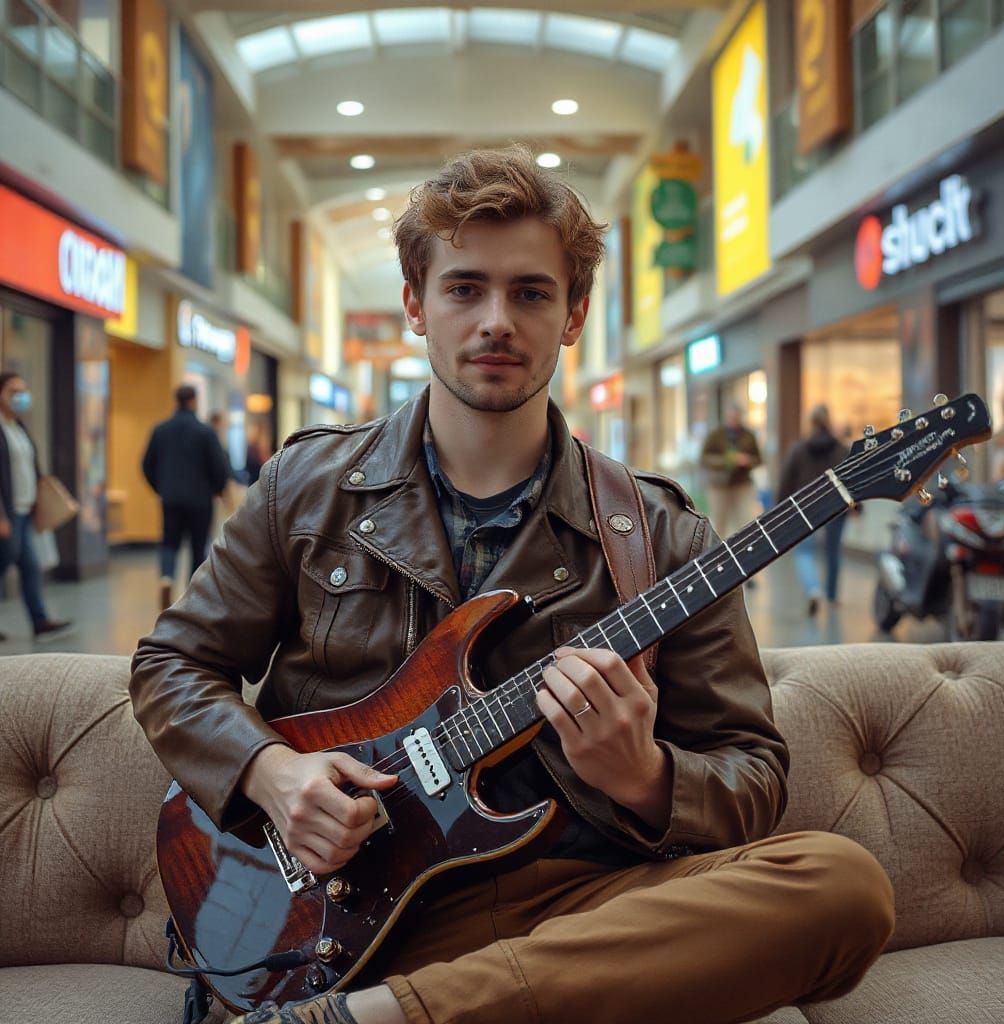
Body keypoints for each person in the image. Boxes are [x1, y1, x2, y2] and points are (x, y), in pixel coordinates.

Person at [130, 147, 893, 1024]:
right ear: (416, 303)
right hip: (348, 910)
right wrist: (269, 773)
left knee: (841, 887)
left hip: (580, 915)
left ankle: (376, 1018)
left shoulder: (665, 536)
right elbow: (170, 664)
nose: (497, 320)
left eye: (532, 292)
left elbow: (753, 777)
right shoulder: (305, 490)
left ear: (572, 316)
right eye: (465, 288)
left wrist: (644, 776)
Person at [0, 371, 75, 642]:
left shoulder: (18, 427)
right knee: (6, 562)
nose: (20, 396)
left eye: (23, 390)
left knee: (30, 566)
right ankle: (40, 620)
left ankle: (40, 622)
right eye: (13, 390)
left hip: (24, 510)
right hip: (8, 513)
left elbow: (28, 466)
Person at [142, 384, 229, 610]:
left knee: (169, 541)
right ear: (194, 401)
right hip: (200, 500)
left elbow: (146, 464)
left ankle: (166, 578)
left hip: (170, 498)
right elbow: (218, 466)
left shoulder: (160, 430)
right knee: (197, 545)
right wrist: (217, 489)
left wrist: (161, 488)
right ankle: (193, 592)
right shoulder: (205, 431)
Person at [777, 405, 851, 616]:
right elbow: (852, 478)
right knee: (833, 551)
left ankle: (813, 589)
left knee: (804, 552)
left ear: (811, 423)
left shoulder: (798, 449)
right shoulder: (842, 449)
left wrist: (780, 508)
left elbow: (786, 481)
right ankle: (832, 595)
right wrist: (858, 506)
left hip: (805, 507)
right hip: (837, 506)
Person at [699, 402, 762, 542]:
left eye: (736, 417)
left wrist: (747, 461)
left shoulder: (748, 435)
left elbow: (758, 459)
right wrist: (726, 460)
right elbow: (704, 458)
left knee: (745, 520)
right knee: (719, 522)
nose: (734, 420)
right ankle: (717, 552)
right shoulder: (716, 435)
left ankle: (746, 548)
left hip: (742, 484)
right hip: (719, 485)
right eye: (731, 417)